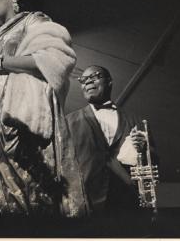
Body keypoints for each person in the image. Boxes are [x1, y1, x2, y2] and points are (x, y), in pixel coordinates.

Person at [0, 0, 88, 217]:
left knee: (25, 197)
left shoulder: (33, 21)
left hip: (17, 128)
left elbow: (55, 57)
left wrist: (1, 64)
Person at [66, 65, 157, 214]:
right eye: (83, 80)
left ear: (109, 82)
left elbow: (154, 161)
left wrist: (144, 148)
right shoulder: (68, 122)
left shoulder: (136, 120)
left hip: (127, 201)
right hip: (86, 203)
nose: (87, 82)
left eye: (94, 76)